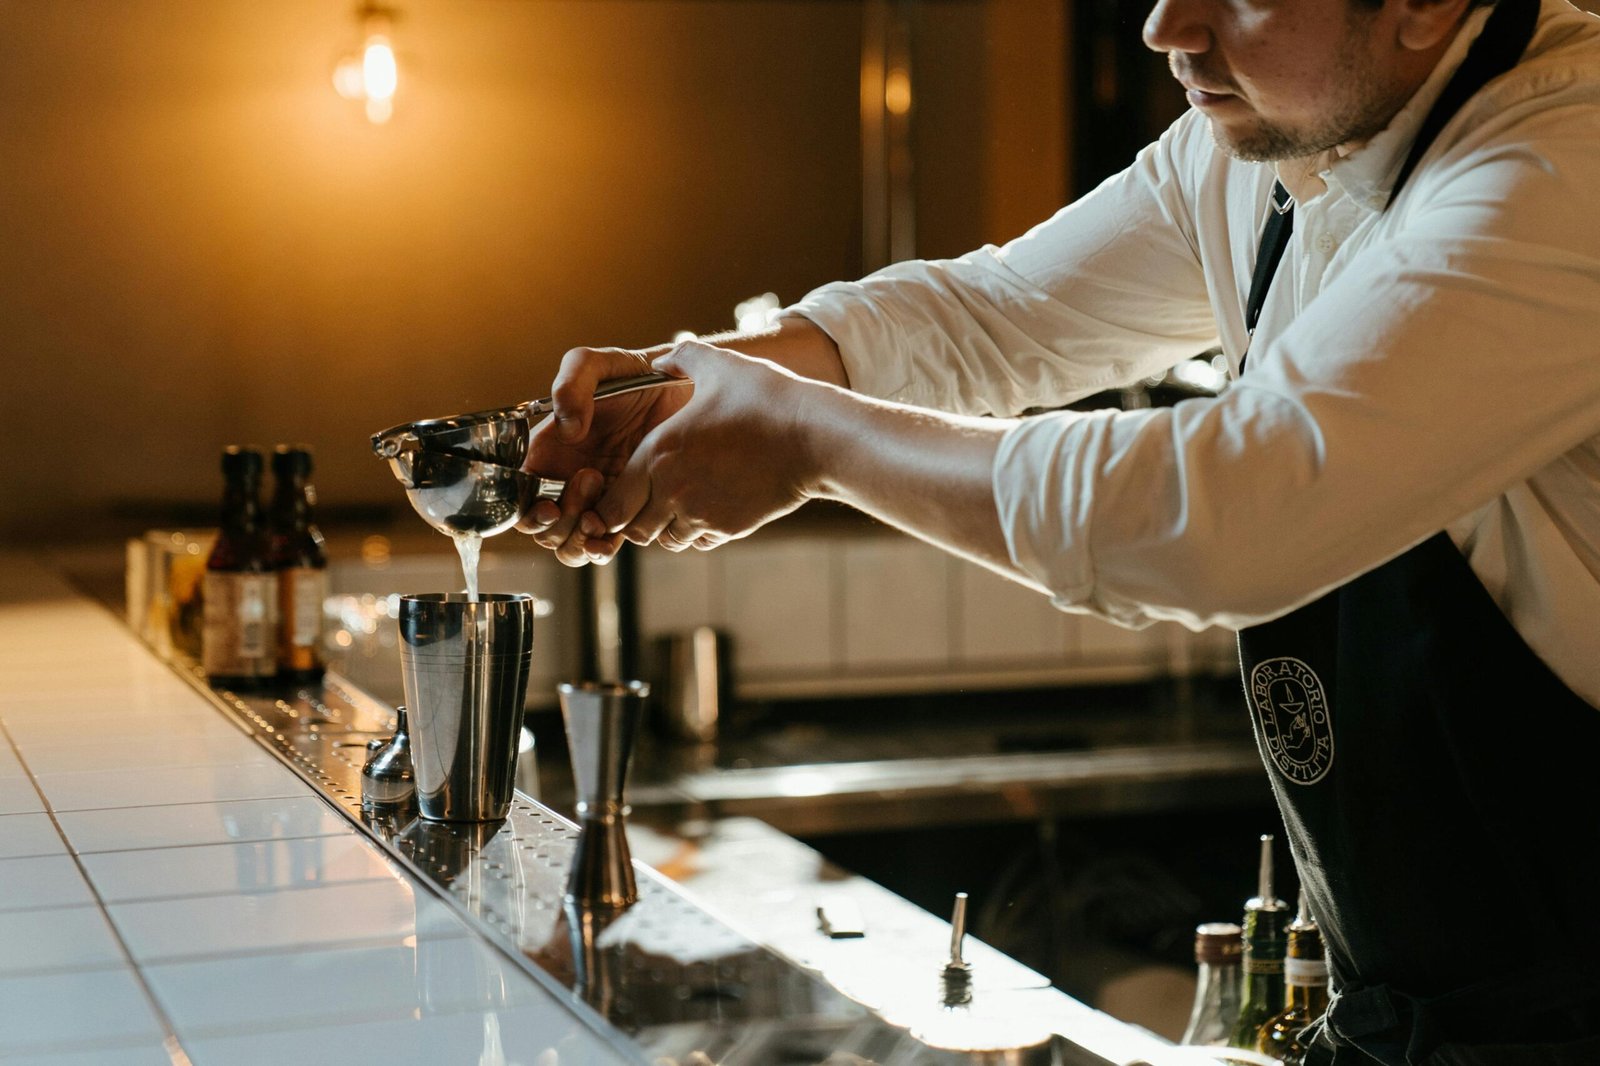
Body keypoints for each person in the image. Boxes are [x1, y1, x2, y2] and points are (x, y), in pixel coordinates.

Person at [520, 0, 1600, 1061]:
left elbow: (1219, 517)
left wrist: (808, 440)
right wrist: (697, 386)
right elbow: (998, 313)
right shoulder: (1258, 155)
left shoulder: (1560, 166)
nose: (1165, 27)